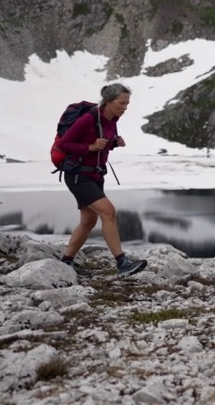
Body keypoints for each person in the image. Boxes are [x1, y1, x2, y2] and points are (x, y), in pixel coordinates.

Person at [56, 83, 148, 279]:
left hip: (96, 175)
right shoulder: (89, 118)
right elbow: (65, 144)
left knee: (88, 221)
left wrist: (114, 143)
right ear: (108, 102)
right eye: (121, 103)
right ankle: (122, 262)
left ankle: (66, 262)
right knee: (108, 212)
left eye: (127, 104)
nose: (125, 108)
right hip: (78, 175)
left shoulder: (112, 120)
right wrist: (89, 148)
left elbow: (102, 143)